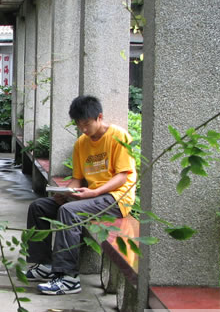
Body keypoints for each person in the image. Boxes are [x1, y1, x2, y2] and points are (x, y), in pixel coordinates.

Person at [25, 95, 137, 295]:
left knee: (69, 212)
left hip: (116, 198)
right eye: (79, 125)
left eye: (87, 124)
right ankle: (44, 264)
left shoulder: (119, 136)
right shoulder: (81, 143)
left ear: (99, 117)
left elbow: (122, 176)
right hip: (91, 197)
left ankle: (69, 277)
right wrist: (66, 192)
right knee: (39, 207)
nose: (84, 129)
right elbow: (77, 178)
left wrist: (94, 192)